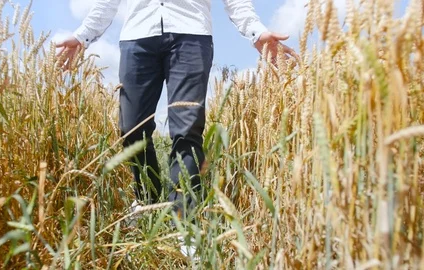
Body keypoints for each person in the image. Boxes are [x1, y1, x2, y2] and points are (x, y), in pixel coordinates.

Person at [57, 0, 295, 217]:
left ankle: (183, 219)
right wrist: (82, 37)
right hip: (138, 36)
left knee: (187, 128)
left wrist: (256, 31)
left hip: (191, 34)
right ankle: (147, 202)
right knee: (131, 127)